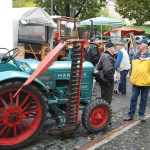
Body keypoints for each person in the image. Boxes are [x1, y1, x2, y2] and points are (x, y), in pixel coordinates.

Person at [124, 39, 150, 122]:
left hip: (146, 82)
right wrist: (131, 76)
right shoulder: (135, 56)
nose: (138, 45)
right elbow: (132, 68)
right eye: (138, 44)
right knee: (133, 98)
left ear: (146, 45)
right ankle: (130, 115)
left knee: (144, 99)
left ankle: (141, 114)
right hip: (136, 82)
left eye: (140, 44)